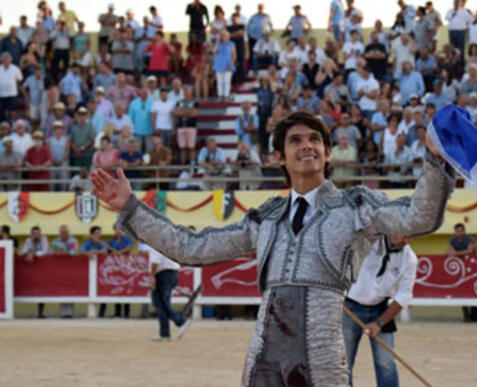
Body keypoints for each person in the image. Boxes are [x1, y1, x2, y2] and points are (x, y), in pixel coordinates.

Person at [91, 111, 454, 386]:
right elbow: (192, 248)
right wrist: (130, 209)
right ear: (279, 157)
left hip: (323, 352)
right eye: (295, 140)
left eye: (315, 139)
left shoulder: (357, 206)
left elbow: (418, 217)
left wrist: (436, 161)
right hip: (265, 353)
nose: (307, 145)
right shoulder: (265, 218)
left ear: (328, 153)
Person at [343, 235, 417, 387]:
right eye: (405, 235)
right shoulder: (365, 243)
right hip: (350, 307)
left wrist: (379, 323)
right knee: (343, 363)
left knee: (386, 362)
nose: (407, 241)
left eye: (411, 237)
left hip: (381, 309)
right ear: (392, 230)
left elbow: (404, 295)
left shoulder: (409, 259)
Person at [141, 242, 191, 341]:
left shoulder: (155, 244)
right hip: (169, 273)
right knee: (159, 302)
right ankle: (165, 333)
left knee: (162, 302)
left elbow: (156, 262)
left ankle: (181, 321)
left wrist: (151, 276)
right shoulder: (160, 241)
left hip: (165, 275)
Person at [21, 225, 49, 318]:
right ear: (31, 234)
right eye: (34, 233)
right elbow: (23, 252)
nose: (36, 235)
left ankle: (41, 312)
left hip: (44, 270)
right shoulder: (28, 240)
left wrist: (33, 253)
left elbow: (45, 251)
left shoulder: (44, 239)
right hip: (32, 271)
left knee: (43, 290)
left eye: (38, 233)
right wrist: (29, 252)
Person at [51, 225, 79, 318]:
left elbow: (75, 252)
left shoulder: (73, 241)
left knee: (71, 289)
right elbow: (52, 252)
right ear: (60, 233)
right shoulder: (55, 241)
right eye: (62, 233)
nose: (64, 235)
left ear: (68, 233)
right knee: (61, 289)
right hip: (60, 269)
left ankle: (70, 312)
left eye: (65, 233)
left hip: (72, 269)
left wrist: (63, 252)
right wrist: (66, 252)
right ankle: (63, 312)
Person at [108, 226, 133, 319]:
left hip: (126, 267)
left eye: (120, 229)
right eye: (117, 229)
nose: (118, 231)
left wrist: (119, 252)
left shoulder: (126, 239)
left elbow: (129, 248)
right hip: (115, 267)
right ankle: (117, 312)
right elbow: (108, 252)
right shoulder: (111, 241)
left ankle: (127, 313)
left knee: (126, 288)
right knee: (116, 288)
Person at [212, 31, 236, 101]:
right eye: (222, 36)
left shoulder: (231, 44)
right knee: (219, 81)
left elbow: (234, 55)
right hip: (219, 64)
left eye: (225, 36)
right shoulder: (218, 44)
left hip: (228, 64)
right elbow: (214, 51)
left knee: (227, 81)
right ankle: (220, 95)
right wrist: (217, 41)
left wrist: (231, 63)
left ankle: (226, 95)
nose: (223, 37)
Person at [0, 52, 23, 122]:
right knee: (1, 113)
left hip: (12, 94)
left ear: (10, 60)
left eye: (8, 60)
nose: (6, 61)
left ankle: (12, 125)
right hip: (1, 95)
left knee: (12, 113)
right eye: (4, 60)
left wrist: (18, 91)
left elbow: (19, 80)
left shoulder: (15, 68)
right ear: (2, 61)